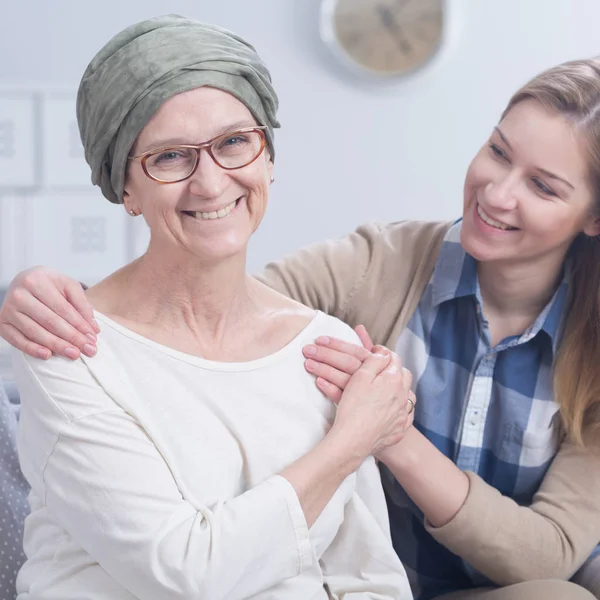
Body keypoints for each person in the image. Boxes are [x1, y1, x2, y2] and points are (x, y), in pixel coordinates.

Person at [2, 46, 600, 600]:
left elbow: (543, 556)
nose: (496, 194)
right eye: (497, 151)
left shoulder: (590, 348)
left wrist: (385, 432)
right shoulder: (373, 268)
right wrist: (58, 298)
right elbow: (207, 313)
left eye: (543, 187)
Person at [4, 14, 415, 600]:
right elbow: (186, 573)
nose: (211, 181)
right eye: (171, 157)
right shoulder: (71, 348)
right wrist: (351, 441)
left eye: (233, 143)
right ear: (125, 188)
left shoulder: (325, 347)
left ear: (268, 156)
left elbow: (368, 577)